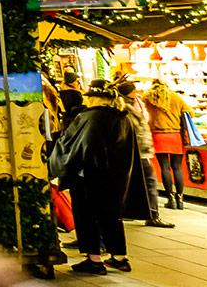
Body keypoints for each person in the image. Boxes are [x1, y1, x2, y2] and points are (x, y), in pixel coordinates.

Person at [48, 85, 140, 275]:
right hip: (115, 178)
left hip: (89, 177)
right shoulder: (122, 117)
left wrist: (62, 167)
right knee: (111, 216)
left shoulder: (90, 117)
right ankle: (119, 257)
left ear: (95, 98)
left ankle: (94, 259)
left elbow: (81, 147)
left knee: (86, 216)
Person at [115, 82, 173, 229]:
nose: (138, 91)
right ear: (130, 92)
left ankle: (138, 212)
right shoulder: (124, 108)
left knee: (140, 182)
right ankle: (152, 215)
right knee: (149, 182)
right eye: (134, 89)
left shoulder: (137, 103)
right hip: (137, 150)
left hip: (140, 150)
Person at [143, 80, 191, 209]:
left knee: (165, 167)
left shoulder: (148, 97)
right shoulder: (175, 97)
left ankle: (170, 198)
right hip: (175, 135)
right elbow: (189, 113)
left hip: (158, 135)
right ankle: (180, 200)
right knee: (177, 168)